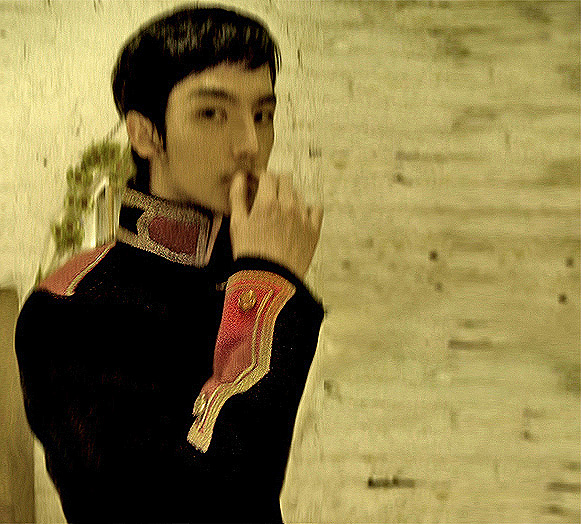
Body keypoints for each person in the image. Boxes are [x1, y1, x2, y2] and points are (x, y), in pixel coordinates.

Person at [15, 5, 324, 523]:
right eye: (212, 114)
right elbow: (197, 503)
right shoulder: (69, 309)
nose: (250, 146)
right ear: (144, 134)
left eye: (262, 115)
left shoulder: (242, 275)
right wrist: (267, 286)